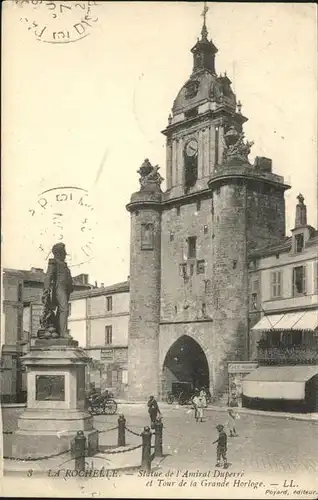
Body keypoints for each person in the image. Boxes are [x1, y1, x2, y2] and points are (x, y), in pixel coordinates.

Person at [43, 242, 74, 338]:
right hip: (58, 288)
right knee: (64, 309)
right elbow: (48, 277)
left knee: (62, 310)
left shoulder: (64, 265)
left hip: (66, 290)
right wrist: (46, 290)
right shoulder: (54, 262)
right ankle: (63, 333)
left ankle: (59, 331)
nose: (65, 254)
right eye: (63, 252)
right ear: (58, 253)